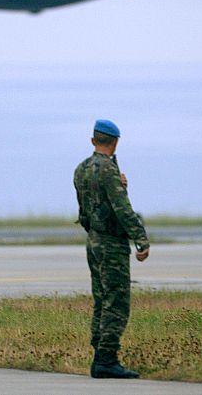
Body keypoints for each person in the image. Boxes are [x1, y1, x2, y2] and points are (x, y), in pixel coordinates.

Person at [74, 119, 150, 379]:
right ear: (115, 142)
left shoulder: (81, 169)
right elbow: (122, 209)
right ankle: (107, 359)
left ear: (93, 139)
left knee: (101, 300)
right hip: (111, 243)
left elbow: (86, 207)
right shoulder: (108, 170)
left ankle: (99, 355)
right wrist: (140, 238)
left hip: (93, 240)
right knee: (116, 302)